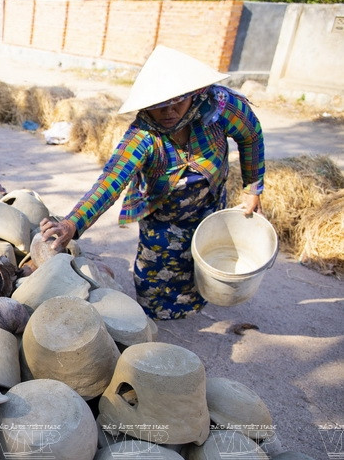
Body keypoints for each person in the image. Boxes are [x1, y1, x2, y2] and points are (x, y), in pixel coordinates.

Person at [40, 45, 265, 320]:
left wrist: (253, 188)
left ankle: (195, 301)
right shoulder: (143, 135)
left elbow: (251, 135)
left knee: (203, 258)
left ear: (194, 96)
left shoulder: (219, 109)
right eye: (159, 107)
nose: (169, 113)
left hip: (209, 203)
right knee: (156, 282)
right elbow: (111, 179)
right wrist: (73, 222)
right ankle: (159, 312)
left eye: (177, 103)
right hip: (161, 213)